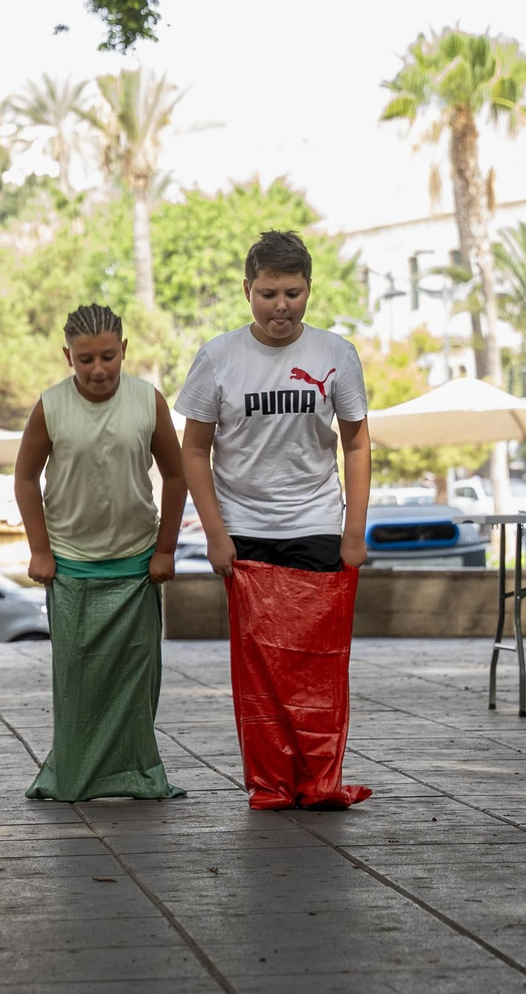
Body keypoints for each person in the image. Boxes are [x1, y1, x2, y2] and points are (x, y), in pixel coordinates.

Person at [175, 229, 373, 810]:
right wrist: (215, 533)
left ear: (309, 290)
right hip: (245, 528)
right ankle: (271, 782)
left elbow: (357, 445)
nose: (280, 306)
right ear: (247, 291)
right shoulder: (219, 357)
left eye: (291, 292)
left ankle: (318, 780)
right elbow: (193, 450)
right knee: (259, 670)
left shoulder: (336, 354)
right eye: (267, 293)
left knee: (317, 666)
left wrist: (354, 532)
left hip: (315, 523)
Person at [13, 303, 187, 803]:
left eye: (108, 357)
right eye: (85, 359)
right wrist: (39, 550)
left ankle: (136, 774)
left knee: (136, 684)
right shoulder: (51, 405)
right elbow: (25, 478)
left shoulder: (147, 401)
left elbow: (176, 477)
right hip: (69, 565)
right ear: (68, 357)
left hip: (136, 564)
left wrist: (166, 549)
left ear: (124, 350)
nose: (97, 369)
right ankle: (75, 774)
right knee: (77, 683)